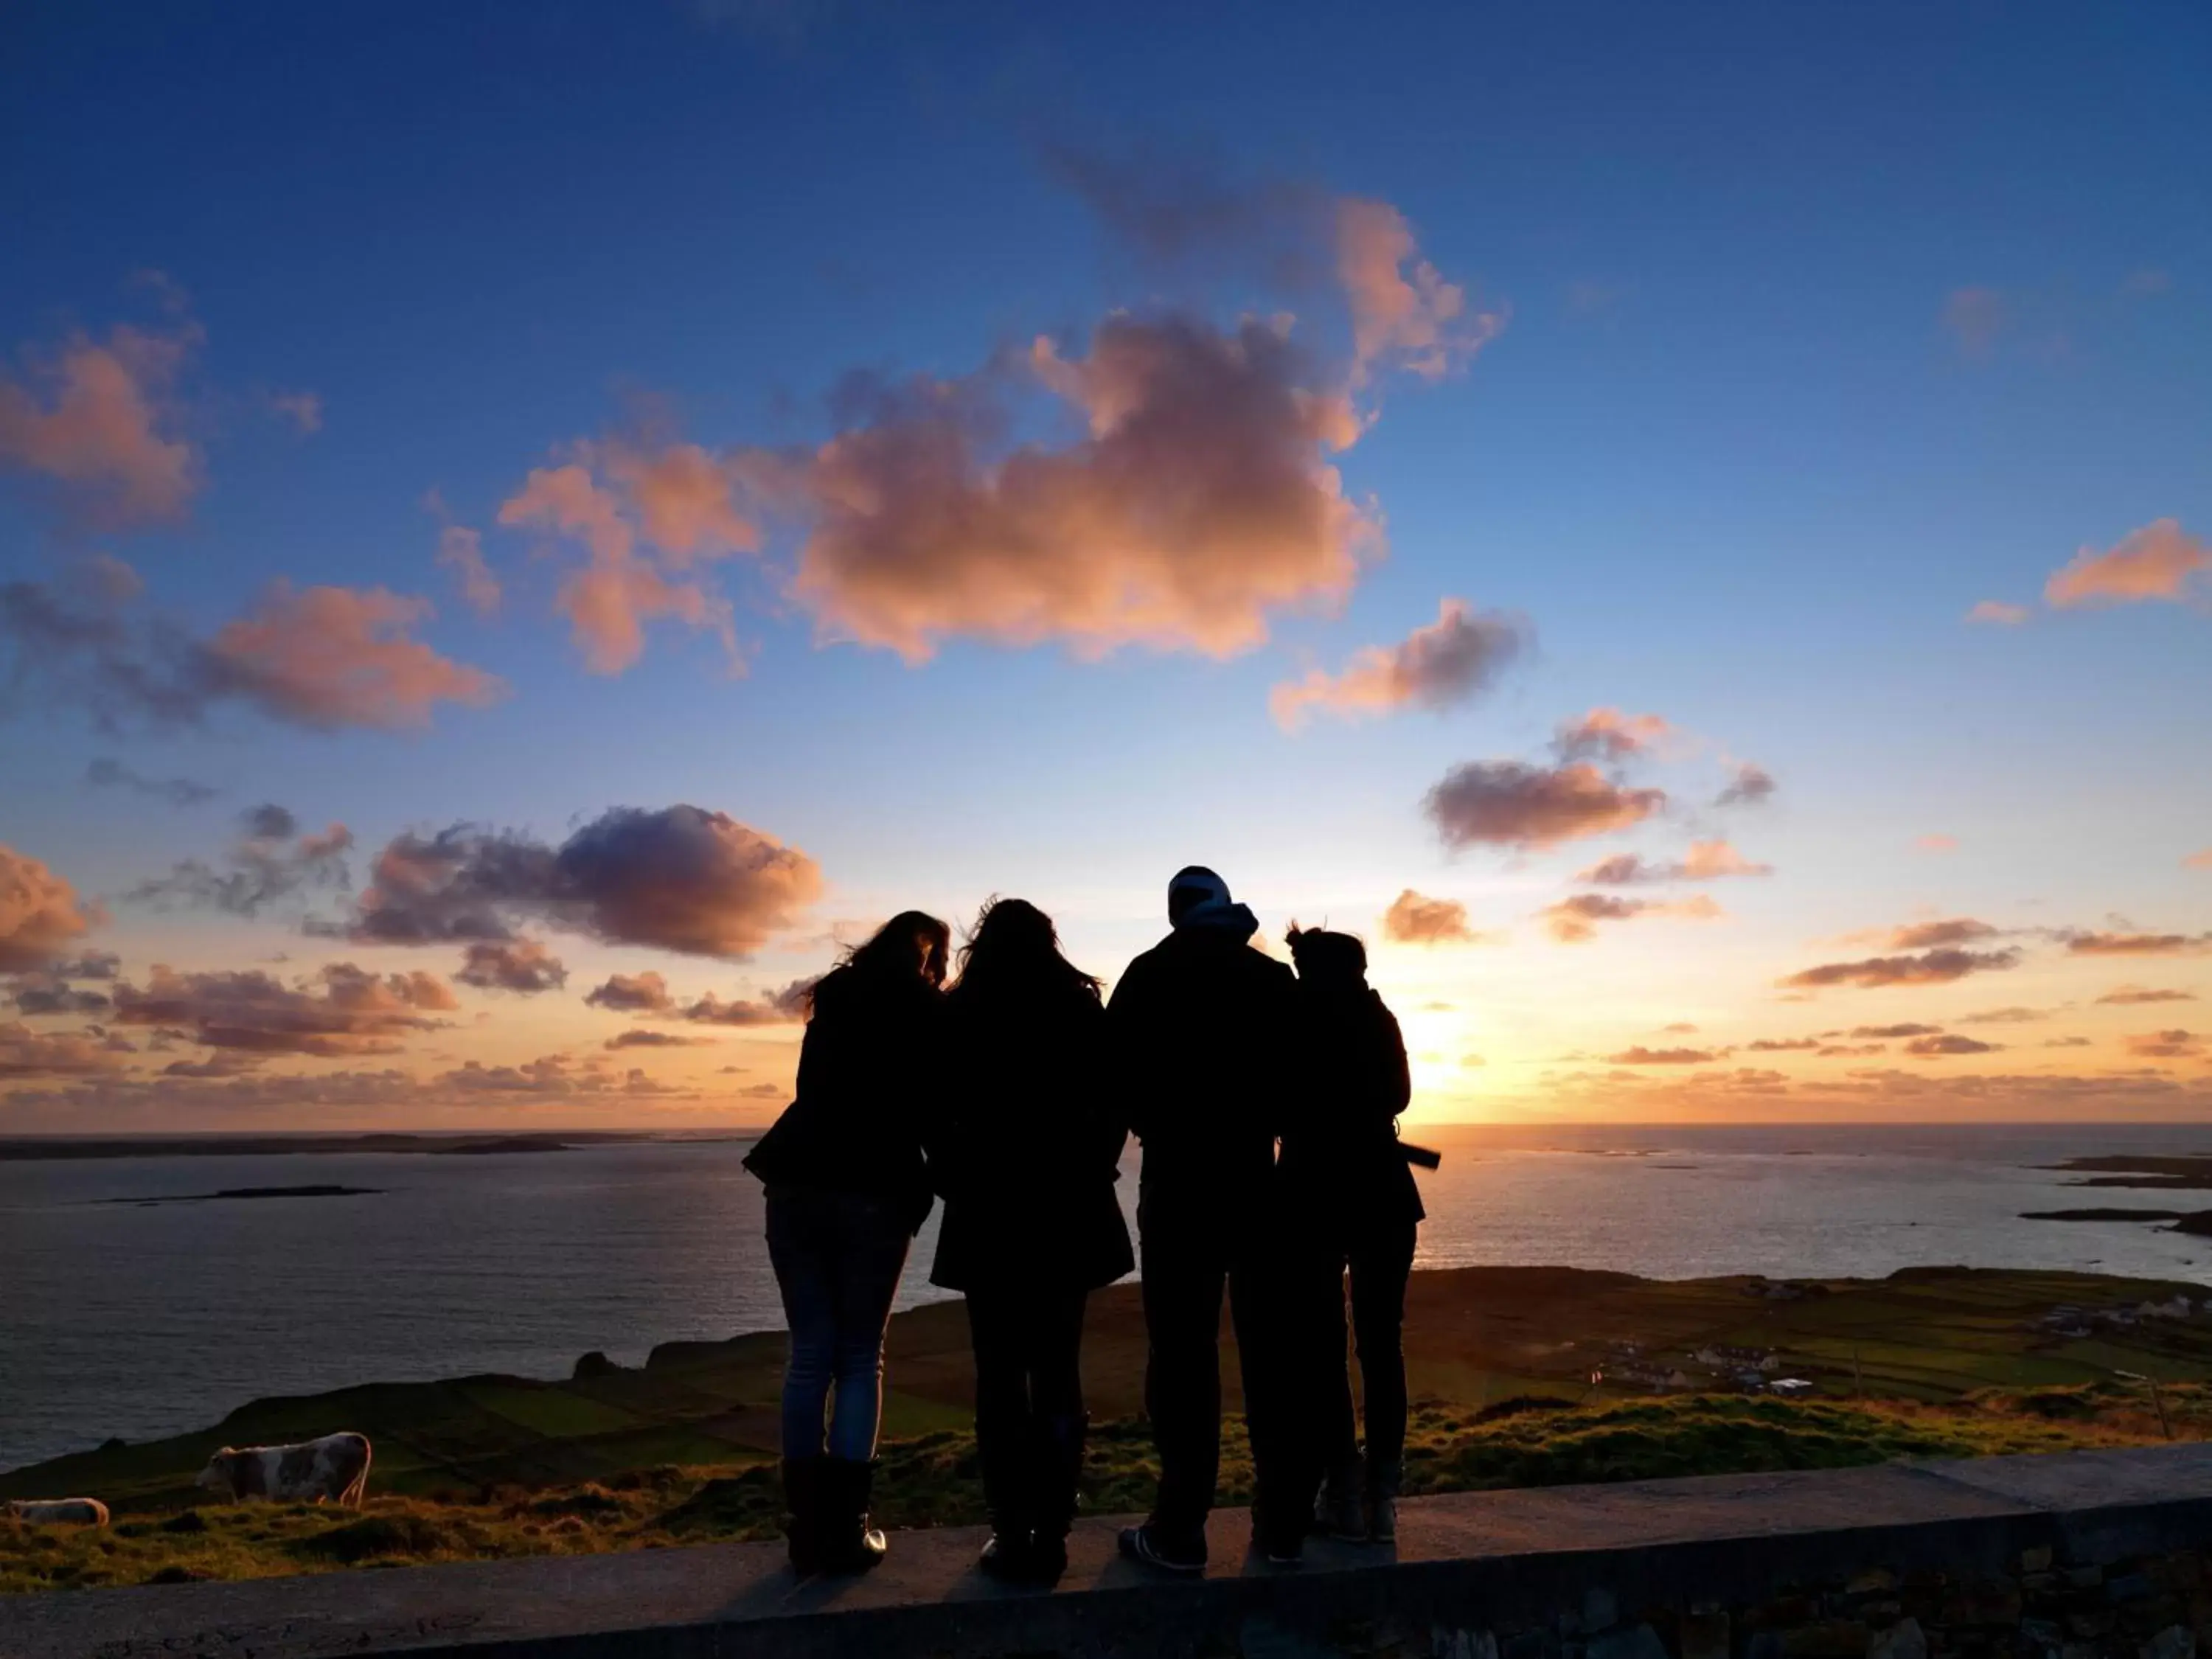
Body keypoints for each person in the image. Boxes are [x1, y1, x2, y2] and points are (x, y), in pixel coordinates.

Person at [926, 898, 1132, 1583]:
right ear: (1049, 942)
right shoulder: (1079, 1007)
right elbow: (1114, 1103)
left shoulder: (959, 1012)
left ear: (982, 945)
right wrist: (1095, 1167)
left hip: (989, 1213)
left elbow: (934, 1113)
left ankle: (1011, 1531)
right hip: (1068, 1212)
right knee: (1057, 1371)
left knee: (999, 1378)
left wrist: (955, 1177)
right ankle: (1054, 1533)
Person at [742, 911, 950, 1574]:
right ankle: (849, 1527)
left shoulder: (832, 999)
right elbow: (933, 1113)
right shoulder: (926, 1010)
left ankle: (805, 1531)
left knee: (809, 1356)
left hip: (797, 1181)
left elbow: (812, 1093)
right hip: (876, 1189)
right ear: (930, 960)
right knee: (861, 1357)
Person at [1108, 866, 1299, 1573]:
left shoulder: (1148, 974)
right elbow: (1297, 1089)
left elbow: (1112, 1080)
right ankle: (1282, 1528)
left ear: (1174, 914)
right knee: (1272, 1356)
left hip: (1178, 1185)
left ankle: (1180, 1530)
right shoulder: (1272, 980)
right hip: (1258, 1183)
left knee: (1183, 1358)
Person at [1277, 924, 1424, 1545]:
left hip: (1312, 1193)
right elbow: (1400, 1095)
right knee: (1381, 1346)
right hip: (1385, 1192)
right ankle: (1381, 1496)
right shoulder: (1378, 1015)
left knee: (1324, 1348)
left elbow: (1274, 1104)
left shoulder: (1292, 1019)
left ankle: (1342, 1487)